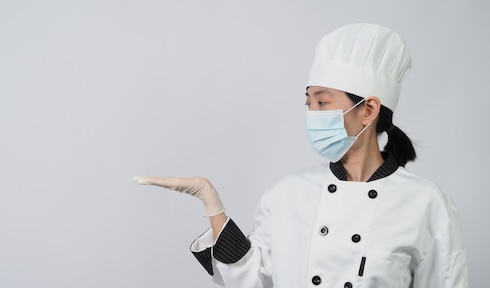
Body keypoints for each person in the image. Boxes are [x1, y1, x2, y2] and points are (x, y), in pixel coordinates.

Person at [133, 23, 469, 288]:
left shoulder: (426, 204)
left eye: (323, 102)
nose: (312, 114)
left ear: (368, 109)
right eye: (309, 103)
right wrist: (211, 202)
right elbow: (250, 279)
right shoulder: (287, 194)